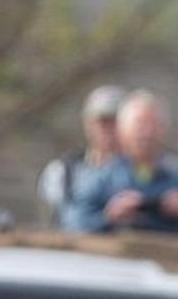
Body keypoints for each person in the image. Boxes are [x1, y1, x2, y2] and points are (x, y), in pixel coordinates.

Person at [65, 90, 178, 238]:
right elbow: (71, 223)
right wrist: (109, 216)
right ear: (122, 130)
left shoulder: (177, 179)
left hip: (171, 267)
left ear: (164, 130)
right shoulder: (103, 179)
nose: (146, 133)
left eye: (153, 125)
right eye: (139, 125)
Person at [38, 84, 125, 228]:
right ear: (88, 124)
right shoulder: (62, 172)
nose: (110, 129)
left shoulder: (142, 172)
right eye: (103, 122)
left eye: (116, 122)